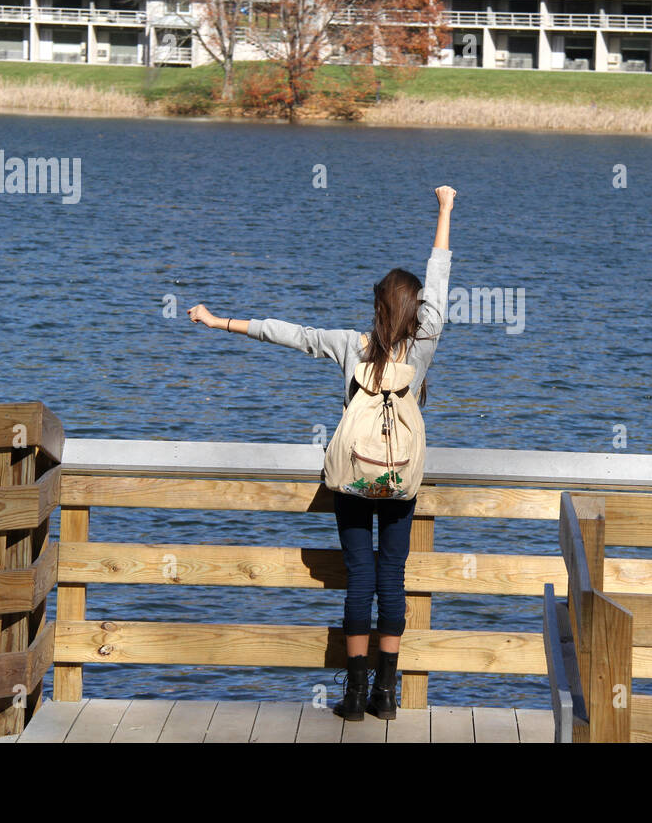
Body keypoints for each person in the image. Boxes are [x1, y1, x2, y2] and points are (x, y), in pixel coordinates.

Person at [188, 185, 457, 720]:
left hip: (353, 479)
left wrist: (220, 322)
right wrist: (446, 208)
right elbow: (441, 281)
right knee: (392, 579)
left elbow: (290, 334)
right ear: (416, 310)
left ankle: (353, 698)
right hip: (400, 482)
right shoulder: (422, 347)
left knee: (359, 578)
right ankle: (387, 695)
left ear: (379, 309)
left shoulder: (350, 345)